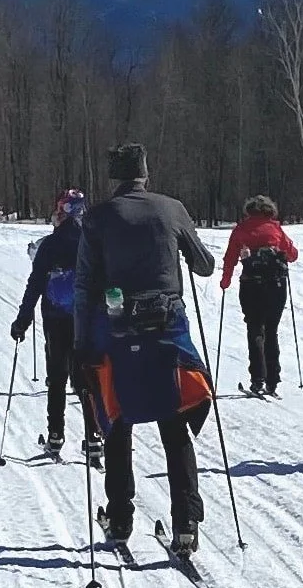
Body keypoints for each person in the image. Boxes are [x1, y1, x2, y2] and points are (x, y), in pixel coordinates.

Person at [74, 143, 217, 553]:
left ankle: (120, 519)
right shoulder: (172, 208)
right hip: (168, 331)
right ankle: (186, 521)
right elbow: (204, 264)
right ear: (145, 175)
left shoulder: (98, 218)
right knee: (174, 424)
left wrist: (83, 346)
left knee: (117, 422)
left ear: (114, 178)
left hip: (117, 335)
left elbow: (85, 287)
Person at [12, 189, 100, 461]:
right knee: (86, 377)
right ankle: (94, 437)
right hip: (86, 319)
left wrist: (22, 320)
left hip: (55, 318)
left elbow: (35, 283)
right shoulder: (92, 242)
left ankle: (55, 436)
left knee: (57, 378)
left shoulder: (50, 244)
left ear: (62, 211)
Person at [220, 195, 299, 397]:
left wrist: (225, 280)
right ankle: (273, 379)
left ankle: (258, 379)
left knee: (255, 329)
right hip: (276, 286)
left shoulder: (241, 229)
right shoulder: (275, 229)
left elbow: (230, 256)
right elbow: (293, 255)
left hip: (251, 285)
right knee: (272, 330)